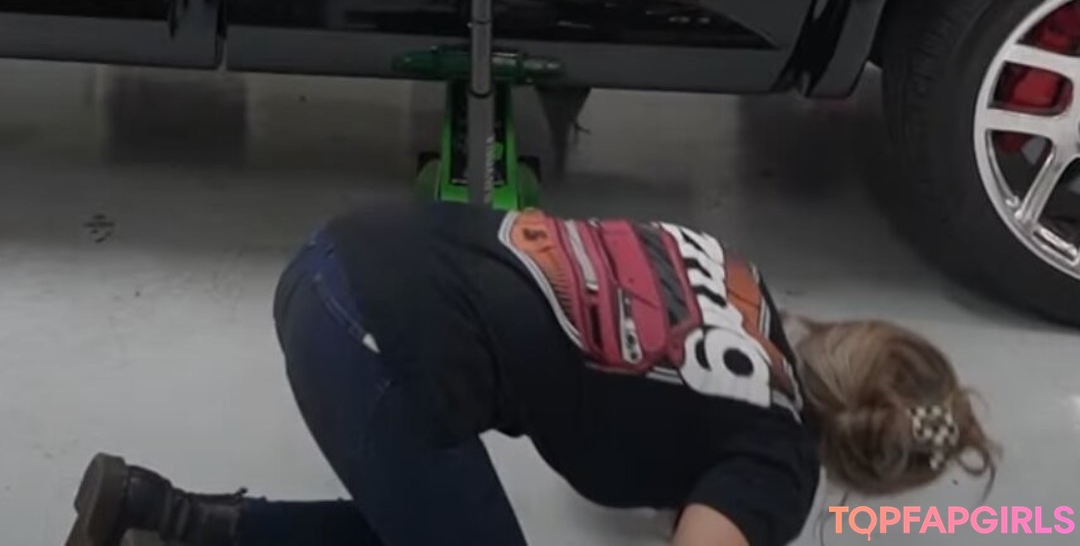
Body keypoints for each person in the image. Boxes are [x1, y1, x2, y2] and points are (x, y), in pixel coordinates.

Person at [65, 201, 997, 546]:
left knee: (438, 523)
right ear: (874, 472)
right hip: (377, 347)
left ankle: (158, 515)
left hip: (342, 255)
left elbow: (650, 381)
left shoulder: (737, 278)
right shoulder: (776, 466)